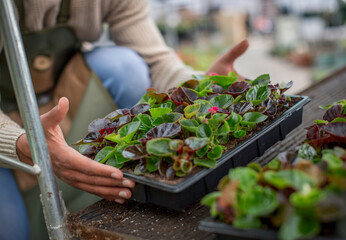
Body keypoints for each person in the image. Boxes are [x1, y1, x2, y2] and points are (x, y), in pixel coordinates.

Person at [0, 0, 249, 239]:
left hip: (60, 103)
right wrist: (22, 143)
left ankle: (113, 188)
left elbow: (155, 60)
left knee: (124, 67)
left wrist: (204, 86)